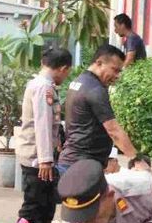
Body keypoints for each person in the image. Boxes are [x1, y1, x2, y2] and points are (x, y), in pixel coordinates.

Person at [15, 47, 73, 223]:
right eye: (67, 72)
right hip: (36, 158)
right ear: (62, 68)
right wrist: (46, 160)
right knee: (32, 204)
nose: (65, 76)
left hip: (43, 157)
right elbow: (42, 125)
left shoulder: (45, 85)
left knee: (47, 203)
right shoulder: (42, 88)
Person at [55, 44, 137, 174]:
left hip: (72, 162)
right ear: (99, 63)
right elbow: (113, 130)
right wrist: (136, 159)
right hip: (82, 168)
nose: (117, 76)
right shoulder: (95, 89)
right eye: (115, 70)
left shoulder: (79, 81)